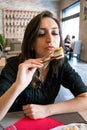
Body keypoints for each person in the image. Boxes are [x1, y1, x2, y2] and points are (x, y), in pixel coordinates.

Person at [0, 11, 87, 121]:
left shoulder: (61, 63)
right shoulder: (14, 66)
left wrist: (47, 110)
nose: (50, 40)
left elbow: (85, 98)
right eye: (41, 34)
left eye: (55, 33)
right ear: (31, 43)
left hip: (45, 122)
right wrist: (18, 85)